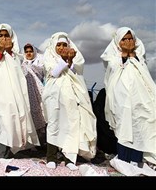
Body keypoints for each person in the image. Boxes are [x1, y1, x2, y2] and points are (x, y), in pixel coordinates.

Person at [0, 23, 39, 161]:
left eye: (6, 36)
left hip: (10, 95)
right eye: (1, 35)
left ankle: (4, 154)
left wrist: (9, 52)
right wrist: (0, 52)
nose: (4, 38)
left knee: (8, 122)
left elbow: (18, 71)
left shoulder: (16, 55)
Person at [100, 27, 156, 167]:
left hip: (140, 100)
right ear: (118, 41)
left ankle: (137, 160)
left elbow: (145, 74)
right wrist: (125, 53)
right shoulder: (113, 57)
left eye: (130, 38)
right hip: (122, 100)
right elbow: (113, 71)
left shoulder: (139, 57)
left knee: (141, 126)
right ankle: (124, 160)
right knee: (124, 127)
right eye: (124, 39)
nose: (128, 41)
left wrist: (132, 55)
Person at [42, 32, 97, 170]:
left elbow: (75, 72)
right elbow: (54, 72)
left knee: (72, 125)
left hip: (71, 98)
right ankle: (51, 157)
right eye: (58, 45)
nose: (61, 48)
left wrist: (70, 61)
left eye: (64, 45)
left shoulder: (74, 58)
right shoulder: (49, 56)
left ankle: (69, 159)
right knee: (54, 125)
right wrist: (65, 60)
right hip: (54, 97)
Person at [21, 43, 47, 147]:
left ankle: (39, 142)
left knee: (39, 115)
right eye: (26, 52)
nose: (28, 54)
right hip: (27, 93)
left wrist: (30, 67)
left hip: (37, 93)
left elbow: (40, 72)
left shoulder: (39, 63)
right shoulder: (22, 63)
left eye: (30, 51)